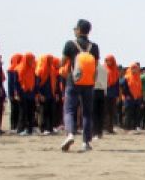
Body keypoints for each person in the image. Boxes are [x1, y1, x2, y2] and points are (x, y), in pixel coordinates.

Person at [59, 19, 99, 152]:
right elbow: (96, 67)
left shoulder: (70, 44)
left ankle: (70, 133)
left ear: (78, 30)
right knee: (87, 113)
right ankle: (86, 142)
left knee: (69, 110)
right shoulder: (94, 47)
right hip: (88, 83)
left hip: (73, 80)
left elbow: (62, 62)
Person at [14, 52, 38, 135]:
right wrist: (16, 94)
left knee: (31, 112)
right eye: (31, 59)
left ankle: (29, 129)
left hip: (30, 93)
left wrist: (35, 94)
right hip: (22, 93)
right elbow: (16, 83)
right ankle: (21, 129)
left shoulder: (32, 69)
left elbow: (34, 82)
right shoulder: (19, 69)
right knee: (23, 112)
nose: (32, 61)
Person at [35, 54, 57, 134]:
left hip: (51, 94)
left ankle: (50, 128)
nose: (51, 61)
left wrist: (55, 93)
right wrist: (39, 94)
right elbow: (36, 84)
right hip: (43, 94)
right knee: (43, 112)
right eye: (49, 59)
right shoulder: (40, 70)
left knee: (51, 112)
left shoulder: (52, 70)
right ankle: (43, 128)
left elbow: (55, 82)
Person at [121, 61, 142, 131]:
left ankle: (134, 127)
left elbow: (140, 88)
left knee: (136, 113)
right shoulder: (127, 77)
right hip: (129, 98)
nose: (134, 70)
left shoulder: (138, 77)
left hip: (137, 98)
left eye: (135, 68)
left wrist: (140, 98)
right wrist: (126, 95)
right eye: (133, 68)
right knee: (128, 113)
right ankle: (127, 127)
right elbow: (124, 88)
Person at [103, 55, 120, 134]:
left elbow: (117, 84)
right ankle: (105, 128)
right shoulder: (103, 69)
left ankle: (111, 128)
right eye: (106, 60)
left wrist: (117, 95)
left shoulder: (115, 70)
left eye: (109, 60)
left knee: (112, 111)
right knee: (105, 111)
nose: (108, 62)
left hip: (112, 94)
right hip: (104, 93)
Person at [6, 53, 22, 131]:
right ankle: (13, 126)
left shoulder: (20, 69)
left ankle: (17, 126)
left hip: (18, 93)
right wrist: (11, 94)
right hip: (13, 93)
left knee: (18, 109)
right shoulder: (11, 70)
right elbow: (10, 83)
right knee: (14, 110)